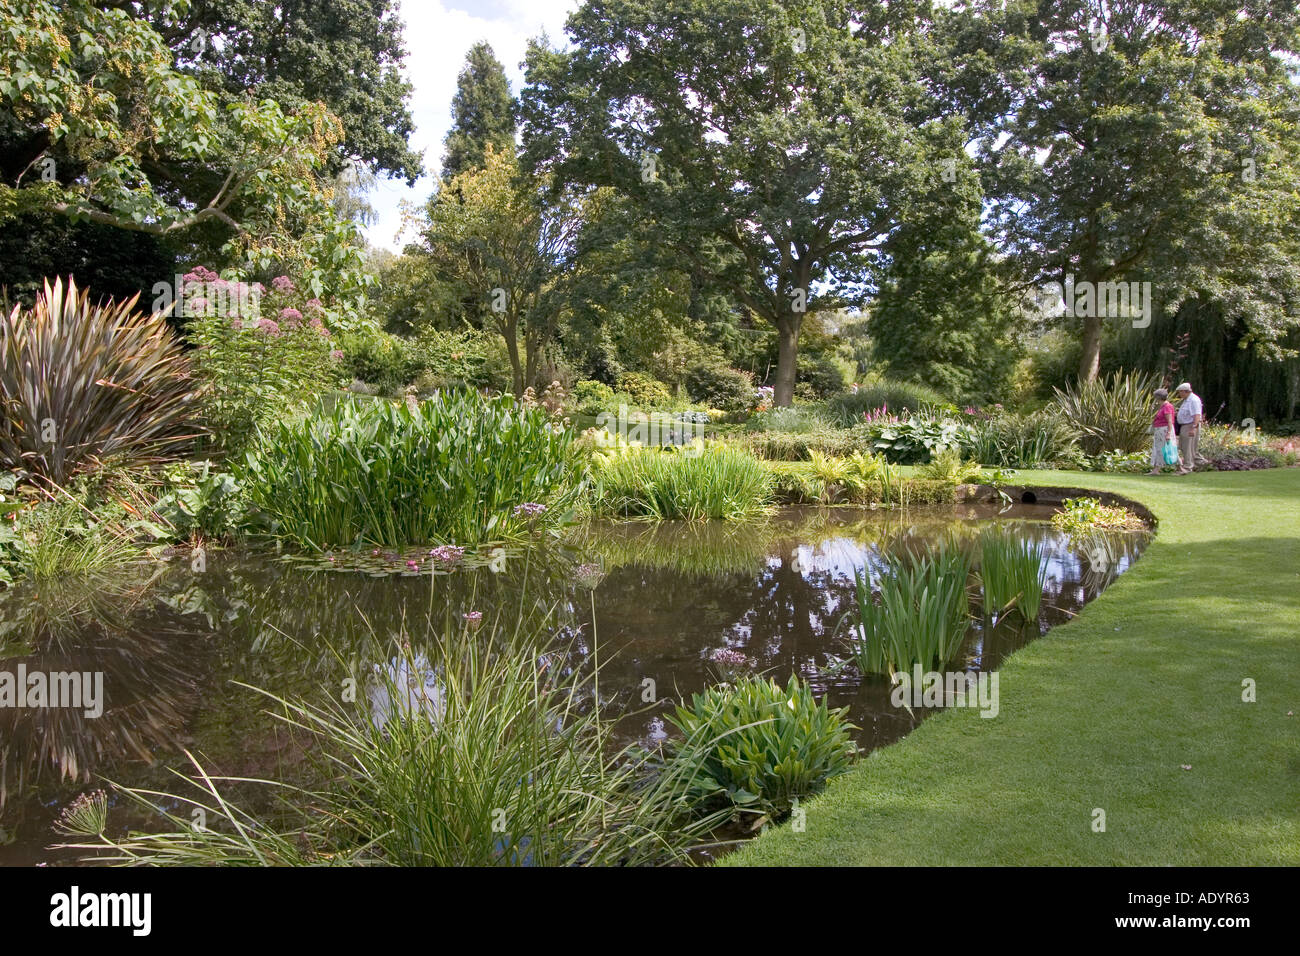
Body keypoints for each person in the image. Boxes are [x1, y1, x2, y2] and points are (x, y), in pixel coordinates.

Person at [1174, 382, 1203, 475]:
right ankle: (1197, 463)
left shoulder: (1193, 400)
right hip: (1185, 425)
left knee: (1188, 447)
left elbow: (1197, 415)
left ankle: (1188, 467)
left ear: (1184, 391)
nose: (1179, 394)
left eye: (1180, 392)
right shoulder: (1187, 400)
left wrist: (1194, 428)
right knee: (1184, 446)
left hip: (1190, 425)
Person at [1148, 387, 1177, 475]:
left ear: (1158, 397)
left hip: (1164, 430)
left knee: (1167, 449)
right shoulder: (1162, 406)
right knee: (1158, 449)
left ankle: (1180, 467)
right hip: (1160, 430)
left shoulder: (1167, 406)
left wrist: (1168, 434)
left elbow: (1169, 421)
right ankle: (1156, 470)